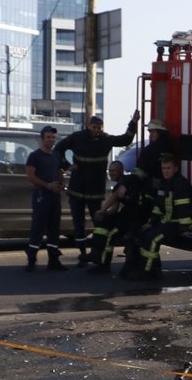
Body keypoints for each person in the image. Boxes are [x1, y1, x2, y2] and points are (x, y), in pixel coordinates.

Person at [57, 111, 139, 265]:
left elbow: (125, 139)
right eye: (94, 127)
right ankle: (82, 253)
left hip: (95, 190)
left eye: (99, 127)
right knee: (78, 224)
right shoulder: (77, 137)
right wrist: (66, 166)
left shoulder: (106, 139)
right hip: (77, 189)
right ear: (88, 126)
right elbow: (58, 148)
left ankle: (97, 252)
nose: (96, 130)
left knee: (99, 223)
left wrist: (133, 123)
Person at [123, 152, 192, 281]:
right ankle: (152, 269)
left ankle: (147, 273)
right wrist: (150, 222)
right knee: (143, 234)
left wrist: (185, 229)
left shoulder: (180, 184)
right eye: (163, 168)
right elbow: (158, 206)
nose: (165, 171)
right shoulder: (165, 183)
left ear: (175, 168)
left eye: (168, 168)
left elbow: (184, 209)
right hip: (169, 221)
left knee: (152, 239)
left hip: (179, 223)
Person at [23, 125, 66, 272]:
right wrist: (48, 185)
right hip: (42, 196)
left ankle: (53, 260)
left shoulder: (56, 155)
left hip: (55, 197)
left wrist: (60, 183)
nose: (51, 140)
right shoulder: (34, 156)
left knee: (54, 228)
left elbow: (59, 171)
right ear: (42, 139)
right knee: (38, 228)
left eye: (53, 137)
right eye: (48, 137)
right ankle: (31, 260)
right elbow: (30, 176)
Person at [86, 160, 135, 271]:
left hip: (132, 217)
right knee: (102, 224)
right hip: (124, 216)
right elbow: (114, 208)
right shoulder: (118, 185)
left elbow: (115, 196)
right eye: (110, 171)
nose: (111, 173)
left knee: (111, 235)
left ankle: (104, 265)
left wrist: (102, 210)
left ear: (121, 171)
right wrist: (104, 215)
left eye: (114, 171)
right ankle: (95, 253)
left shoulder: (126, 182)